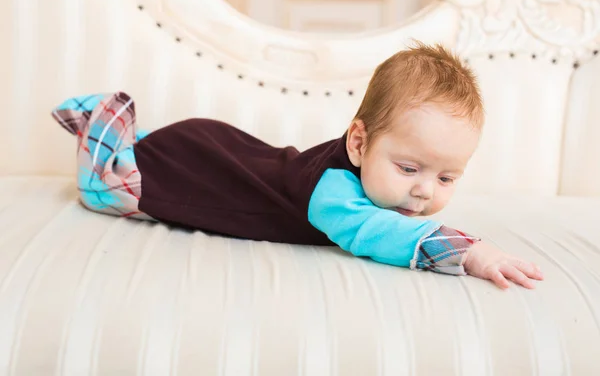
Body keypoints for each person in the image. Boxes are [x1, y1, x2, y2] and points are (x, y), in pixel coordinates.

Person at [52, 42, 544, 289]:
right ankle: (101, 126)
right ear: (358, 143)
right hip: (203, 164)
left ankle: (126, 136)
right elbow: (377, 232)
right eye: (409, 168)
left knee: (151, 150)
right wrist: (469, 252)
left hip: (224, 146)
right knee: (111, 191)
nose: (423, 193)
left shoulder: (363, 169)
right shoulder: (333, 194)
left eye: (446, 178)